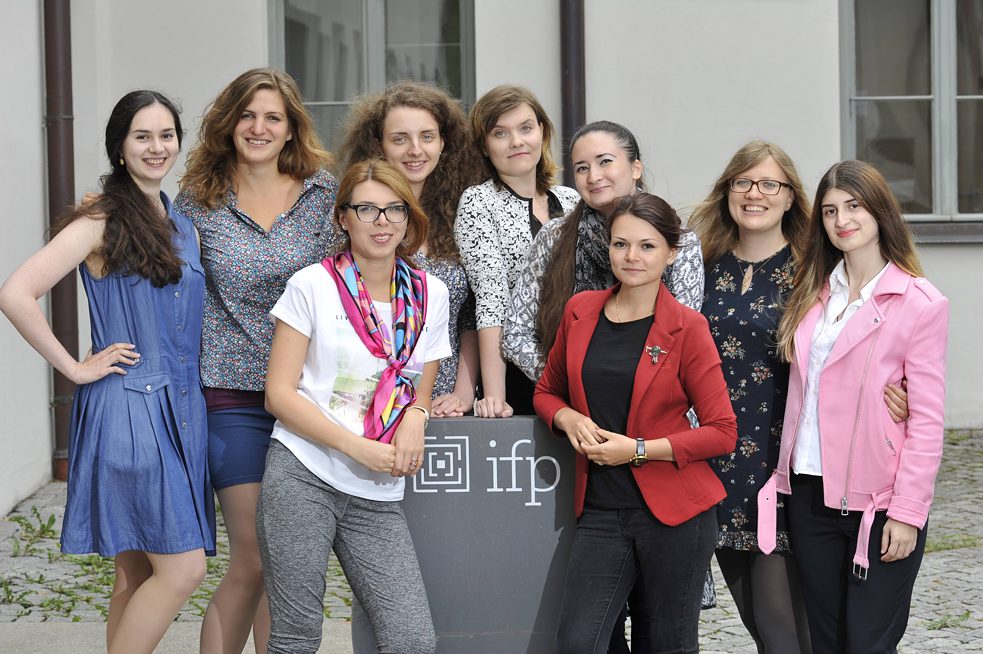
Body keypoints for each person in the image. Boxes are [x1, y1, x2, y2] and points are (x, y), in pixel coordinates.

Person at [0, 91, 213, 653]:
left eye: (166, 135)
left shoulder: (181, 221)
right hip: (130, 408)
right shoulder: (101, 219)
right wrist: (73, 366)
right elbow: (16, 293)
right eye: (142, 136)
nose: (156, 147)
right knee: (184, 568)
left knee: (137, 571)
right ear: (120, 146)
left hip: (180, 409)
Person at [175, 67, 342, 654]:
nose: (259, 127)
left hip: (306, 398)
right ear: (229, 123)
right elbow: (168, 283)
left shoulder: (324, 195)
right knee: (252, 556)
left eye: (273, 117)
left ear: (292, 128)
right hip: (233, 398)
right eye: (247, 115)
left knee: (286, 563)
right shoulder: (198, 203)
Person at [257, 160, 446, 654]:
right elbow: (279, 394)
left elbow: (421, 388)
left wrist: (417, 418)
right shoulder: (311, 285)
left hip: (376, 489)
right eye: (367, 209)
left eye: (394, 209)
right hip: (304, 472)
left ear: (408, 217)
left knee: (411, 640)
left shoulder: (432, 294)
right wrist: (355, 447)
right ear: (343, 217)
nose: (382, 221)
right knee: (297, 638)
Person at [534, 193, 737, 654]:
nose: (632, 256)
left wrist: (638, 449)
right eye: (621, 244)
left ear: (671, 253)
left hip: (676, 514)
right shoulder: (580, 311)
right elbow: (547, 391)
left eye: (647, 246)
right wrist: (567, 417)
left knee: (666, 644)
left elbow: (723, 431)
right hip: (601, 510)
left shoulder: (688, 327)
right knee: (578, 642)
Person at [760, 160, 948, 653]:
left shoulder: (920, 303)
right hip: (809, 491)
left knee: (868, 643)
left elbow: (928, 421)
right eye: (829, 211)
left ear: (880, 211)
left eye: (854, 206)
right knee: (826, 640)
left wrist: (907, 512)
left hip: (878, 501)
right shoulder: (810, 292)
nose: (841, 220)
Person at [688, 141, 814, 653]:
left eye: (769, 184)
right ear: (727, 192)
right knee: (757, 623)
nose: (754, 193)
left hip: (781, 463)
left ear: (790, 197)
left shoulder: (812, 271)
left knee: (781, 622)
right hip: (715, 459)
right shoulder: (701, 266)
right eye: (743, 182)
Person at [502, 120, 704, 385]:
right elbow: (516, 333)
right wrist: (565, 386)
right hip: (569, 402)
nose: (593, 176)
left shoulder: (677, 239)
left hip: (656, 398)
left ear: (635, 168)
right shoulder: (555, 236)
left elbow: (683, 338)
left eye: (605, 161)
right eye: (582, 168)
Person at [337, 80, 482, 419]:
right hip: (368, 400)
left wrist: (463, 392)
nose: (415, 150)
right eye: (400, 139)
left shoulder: (464, 214)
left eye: (427, 137)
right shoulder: (359, 214)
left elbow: (469, 315)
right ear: (379, 145)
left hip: (446, 401)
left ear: (443, 143)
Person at [454, 84, 580, 417]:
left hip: (579, 365)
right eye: (500, 133)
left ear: (542, 132)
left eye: (526, 128)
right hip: (517, 372)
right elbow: (491, 297)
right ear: (484, 146)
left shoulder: (572, 199)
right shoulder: (478, 202)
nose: (516, 141)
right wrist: (496, 395)